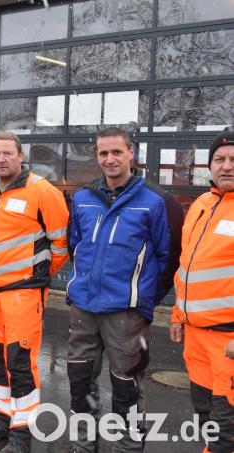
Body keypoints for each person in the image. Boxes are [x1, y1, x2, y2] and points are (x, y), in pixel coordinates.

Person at [66, 127, 183, 453]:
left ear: (131, 154)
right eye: (103, 153)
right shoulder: (83, 198)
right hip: (83, 309)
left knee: (127, 386)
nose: (110, 159)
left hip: (127, 313)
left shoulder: (156, 202)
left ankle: (128, 447)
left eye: (117, 152)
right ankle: (82, 444)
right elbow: (76, 245)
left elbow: (168, 258)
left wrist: (143, 300)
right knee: (80, 381)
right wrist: (82, 287)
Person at [0, 131, 69, 453]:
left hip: (23, 294)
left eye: (7, 154)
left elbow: (60, 245)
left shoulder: (42, 192)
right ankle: (3, 419)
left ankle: (22, 434)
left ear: (20, 156)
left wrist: (35, 276)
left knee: (21, 364)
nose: (1, 159)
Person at [170, 130, 234, 453]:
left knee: (226, 430)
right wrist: (177, 314)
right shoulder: (201, 206)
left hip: (228, 342)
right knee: (206, 420)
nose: (227, 165)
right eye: (219, 159)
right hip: (196, 338)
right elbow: (187, 266)